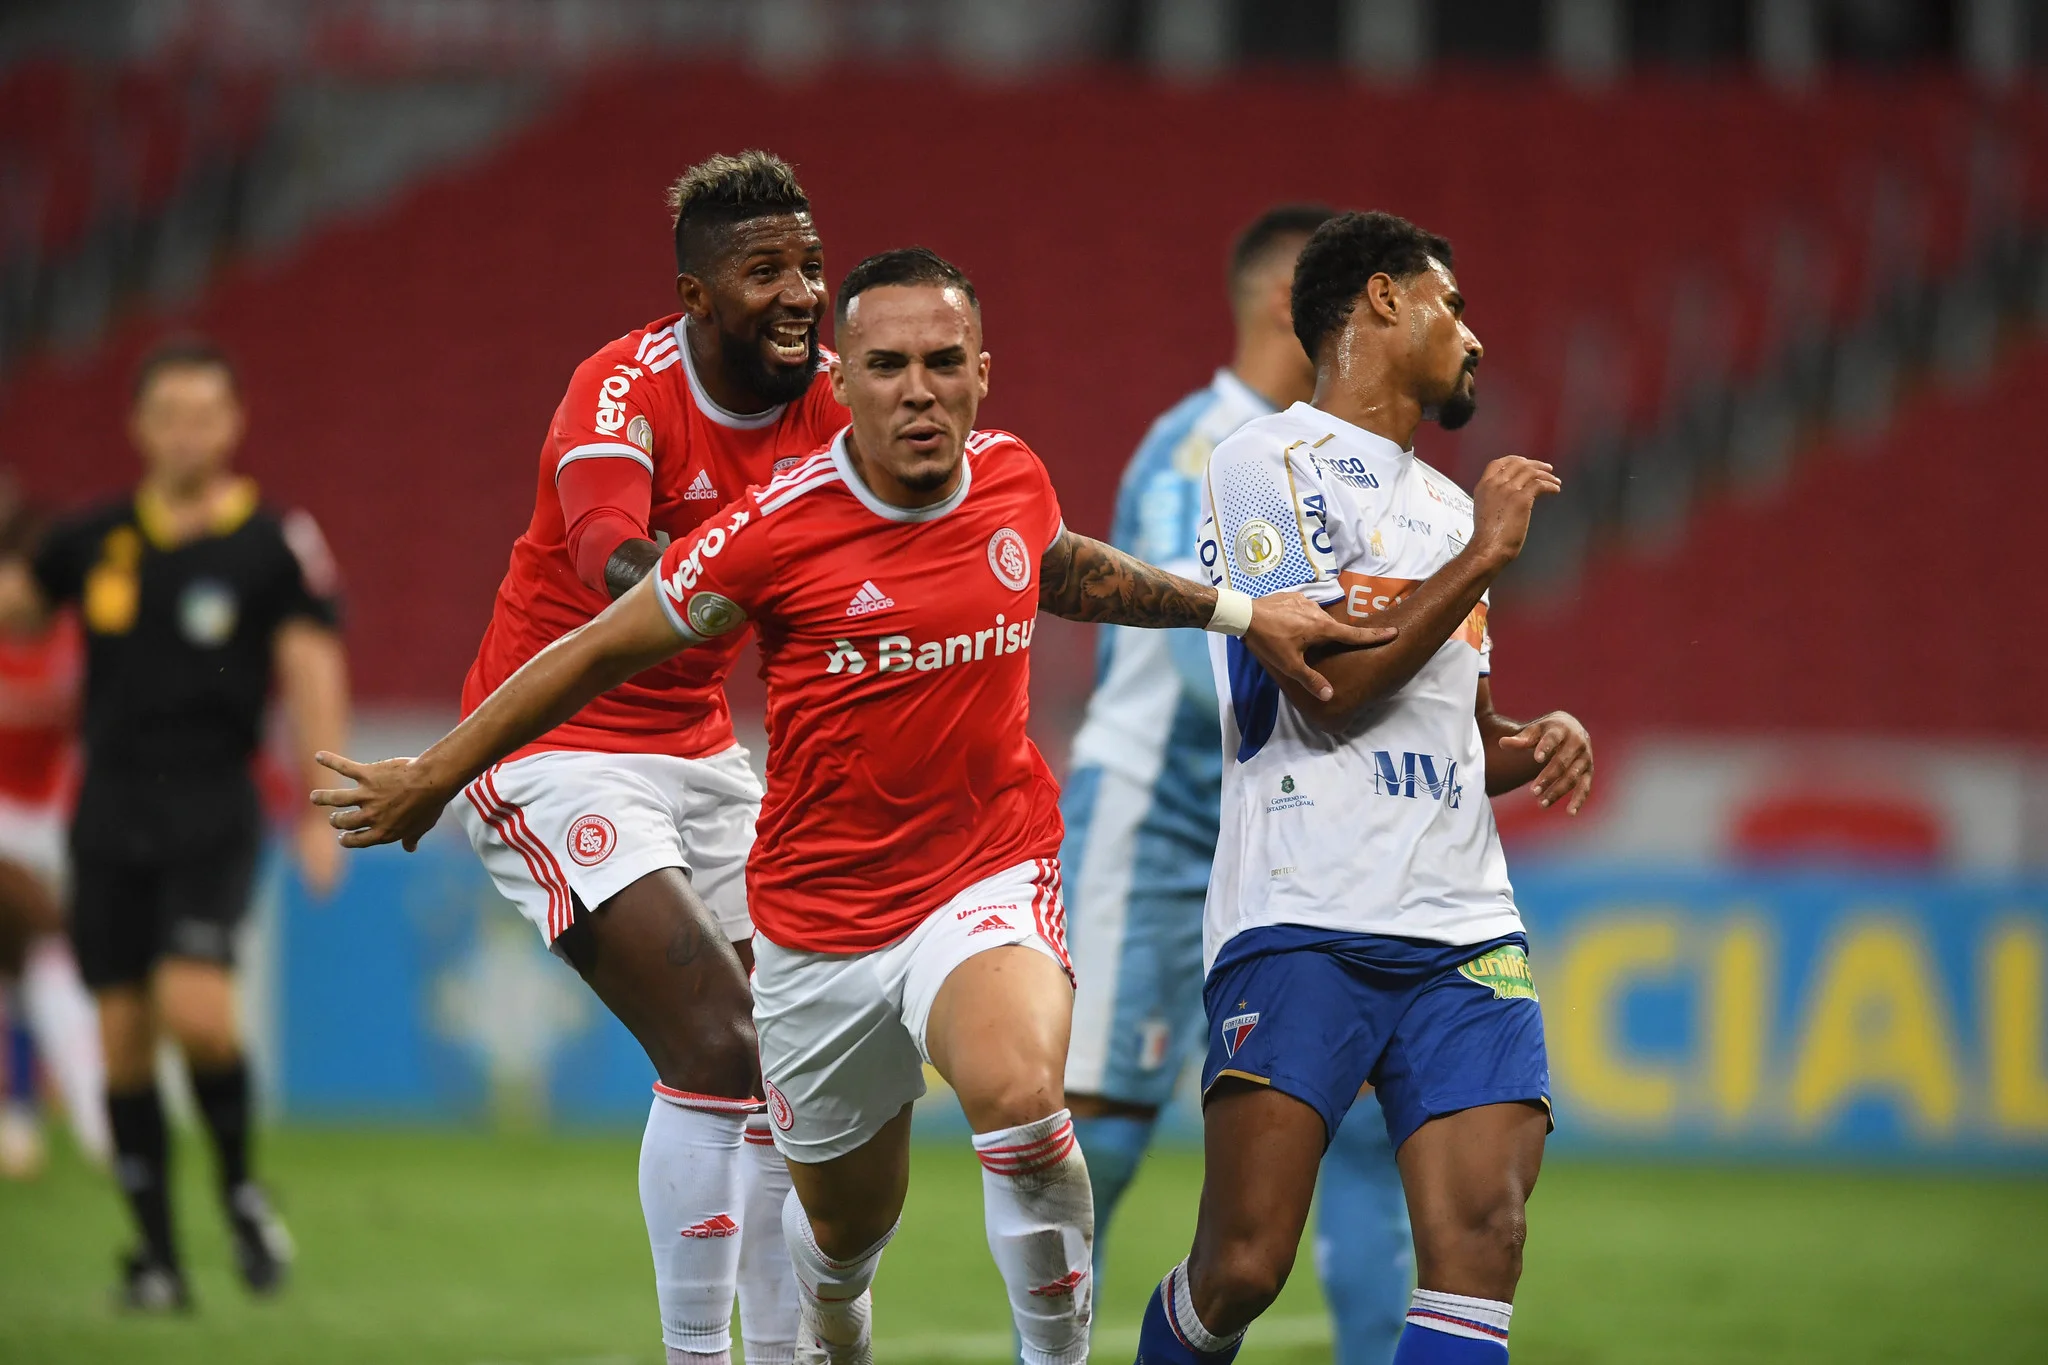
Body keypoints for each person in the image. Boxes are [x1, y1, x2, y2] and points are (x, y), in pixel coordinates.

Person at [311, 247, 1394, 1365]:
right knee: (840, 1233)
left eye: (940, 363)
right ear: (846, 378)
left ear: (983, 372)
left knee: (1025, 1112)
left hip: (986, 869)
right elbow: (594, 650)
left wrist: (1236, 612)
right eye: (885, 365)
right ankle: (831, 1329)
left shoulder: (1013, 473)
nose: (915, 389)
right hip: (820, 923)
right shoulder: (771, 529)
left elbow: (1052, 564)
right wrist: (435, 773)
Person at [1131, 211, 1595, 1365]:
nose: (1472, 337)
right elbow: (1324, 690)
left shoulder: (1444, 508)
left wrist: (1530, 741)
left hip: (1459, 925)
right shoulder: (1255, 464)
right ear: (1382, 300)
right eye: (1452, 304)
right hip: (1300, 915)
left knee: (1483, 1235)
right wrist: (1482, 558)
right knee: (1241, 1266)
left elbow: (1453, 730)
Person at [451, 148, 842, 1365]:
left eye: (810, 264)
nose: (798, 291)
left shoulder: (828, 398)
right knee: (719, 1044)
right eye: (764, 269)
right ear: (694, 299)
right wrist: (724, 589)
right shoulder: (618, 391)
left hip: (698, 753)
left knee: (792, 1058)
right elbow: (609, 557)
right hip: (554, 747)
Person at [1058, 203, 1410, 1362]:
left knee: (1359, 1123)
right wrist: (1345, 717)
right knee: (1102, 1130)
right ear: (1287, 301)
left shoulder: (1349, 472)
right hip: (1160, 829)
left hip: (1295, 840)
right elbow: (1189, 650)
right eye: (1368, 300)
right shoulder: (1202, 449)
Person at [0, 337, 350, 1309]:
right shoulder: (94, 538)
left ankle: (238, 1187)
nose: (186, 433)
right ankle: (156, 1261)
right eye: (168, 416)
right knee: (117, 1040)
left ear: (234, 424)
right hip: (107, 810)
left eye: (205, 415)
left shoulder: (274, 544)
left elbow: (313, 671)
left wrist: (326, 803)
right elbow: (19, 611)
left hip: (212, 805)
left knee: (197, 1014)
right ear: (139, 427)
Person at [0, 489, 106, 1179]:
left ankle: (97, 1119)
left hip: (54, 821)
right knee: (33, 960)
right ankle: (23, 1115)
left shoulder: (74, 641)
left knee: (50, 968)